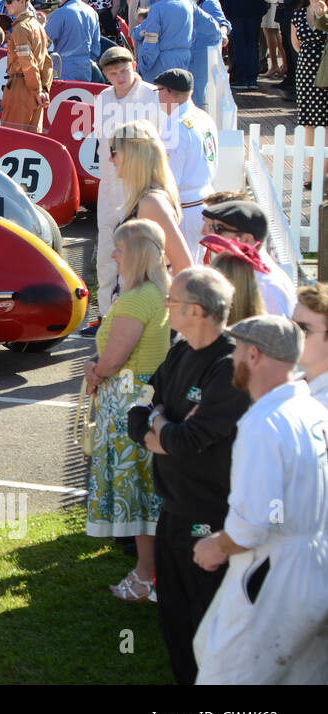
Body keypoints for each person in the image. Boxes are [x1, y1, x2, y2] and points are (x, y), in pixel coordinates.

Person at [122, 266, 247, 682]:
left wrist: (161, 427)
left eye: (172, 301)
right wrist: (160, 425)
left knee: (207, 622)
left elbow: (188, 440)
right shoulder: (179, 349)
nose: (166, 306)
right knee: (173, 619)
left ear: (195, 310)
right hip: (172, 512)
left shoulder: (228, 366)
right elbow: (140, 407)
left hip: (209, 519)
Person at [192, 315, 328, 684]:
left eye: (236, 350)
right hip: (316, 570)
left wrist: (215, 546)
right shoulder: (315, 412)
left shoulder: (264, 423)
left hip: (272, 579)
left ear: (254, 355)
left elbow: (251, 526)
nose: (233, 358)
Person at [84, 218, 172, 596]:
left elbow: (113, 360)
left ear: (135, 254)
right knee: (148, 492)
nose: (114, 254)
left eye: (119, 249)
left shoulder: (137, 299)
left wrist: (95, 372)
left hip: (126, 403)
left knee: (136, 494)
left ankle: (144, 575)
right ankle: (153, 575)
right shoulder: (156, 293)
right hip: (143, 397)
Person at [108, 121, 193, 278]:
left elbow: (184, 264)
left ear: (131, 154)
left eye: (113, 152)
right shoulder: (150, 197)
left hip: (146, 299)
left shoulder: (152, 203)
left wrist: (164, 299)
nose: (110, 159)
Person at [153, 68, 216, 259]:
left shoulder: (177, 126)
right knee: (194, 264)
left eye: (159, 91)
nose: (158, 96)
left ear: (168, 92)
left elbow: (170, 178)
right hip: (203, 201)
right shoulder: (203, 117)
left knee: (182, 269)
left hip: (186, 208)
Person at [200, 199, 296, 316]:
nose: (212, 235)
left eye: (219, 229)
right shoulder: (249, 270)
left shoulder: (263, 285)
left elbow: (273, 332)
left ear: (246, 239)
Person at [0, 0, 53, 132]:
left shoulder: (21, 28)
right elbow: (48, 62)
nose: (6, 5)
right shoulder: (38, 26)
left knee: (13, 138)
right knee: (31, 140)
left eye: (10, 1)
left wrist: (38, 91)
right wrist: (44, 90)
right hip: (35, 88)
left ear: (23, 2)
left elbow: (27, 62)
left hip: (21, 88)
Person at [133, 0, 193, 84]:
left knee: (161, 97)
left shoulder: (158, 8)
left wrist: (144, 64)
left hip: (163, 61)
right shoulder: (187, 4)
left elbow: (151, 40)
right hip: (184, 58)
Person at [291, 0, 328, 130]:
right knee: (307, 120)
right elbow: (296, 44)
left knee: (325, 121)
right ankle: (308, 156)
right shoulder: (298, 15)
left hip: (325, 71)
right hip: (305, 71)